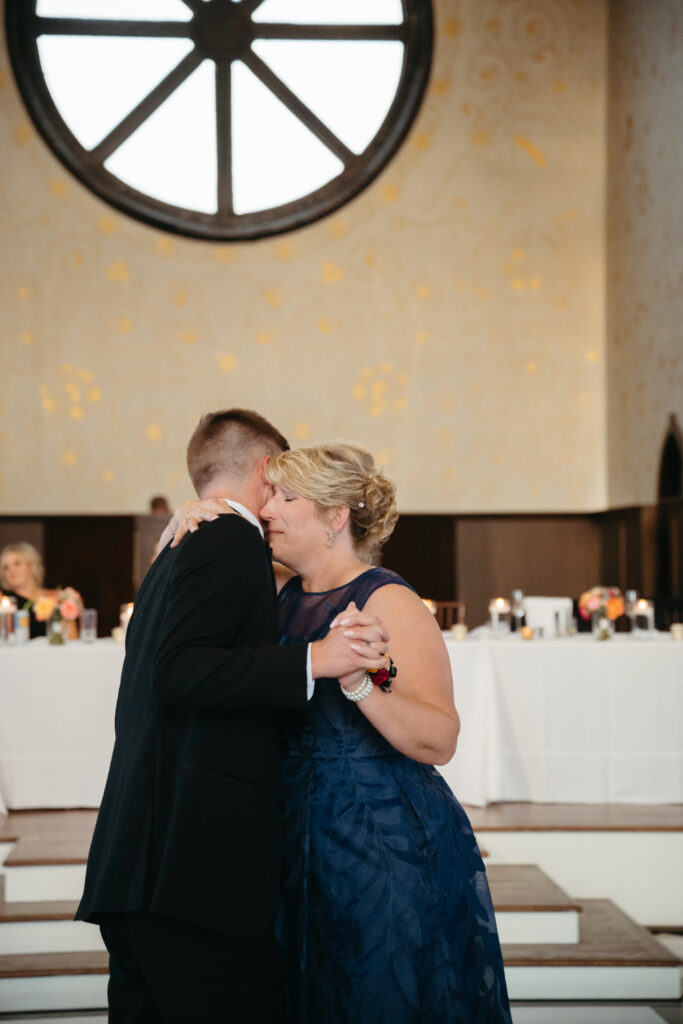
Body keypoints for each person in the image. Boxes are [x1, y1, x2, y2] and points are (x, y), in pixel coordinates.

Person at [175, 442, 513, 1023]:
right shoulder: (281, 592)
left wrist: (359, 684)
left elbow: (440, 738)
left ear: (335, 516)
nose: (269, 509)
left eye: (285, 496)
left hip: (381, 841)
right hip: (293, 833)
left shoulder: (388, 599)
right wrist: (189, 518)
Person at [75, 411, 389, 1024]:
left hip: (146, 862)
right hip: (193, 872)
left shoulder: (182, 543)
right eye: (286, 485)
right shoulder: (229, 538)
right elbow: (179, 672)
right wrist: (314, 659)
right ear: (267, 470)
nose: (280, 504)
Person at [0, 542, 79, 639]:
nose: (11, 571)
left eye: (17, 564)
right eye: (6, 567)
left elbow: (72, 638)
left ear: (31, 565)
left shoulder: (58, 597)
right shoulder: (4, 601)